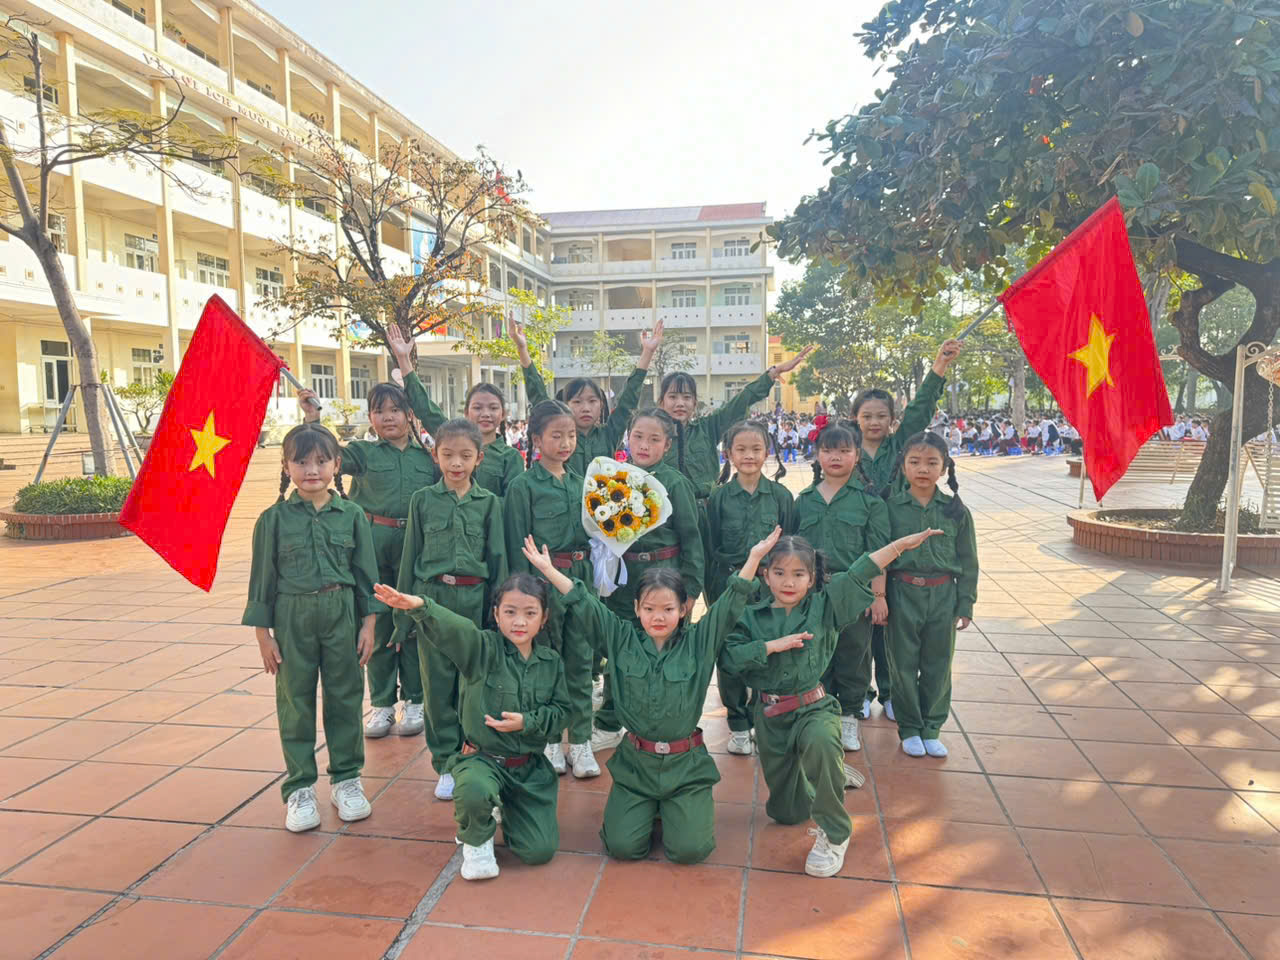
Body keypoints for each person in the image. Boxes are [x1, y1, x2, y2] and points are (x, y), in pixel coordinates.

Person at [525, 528, 776, 863]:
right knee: (622, 847)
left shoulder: (699, 641)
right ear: (637, 608)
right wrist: (548, 569)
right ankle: (650, 807)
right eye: (649, 608)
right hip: (636, 767)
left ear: (683, 609)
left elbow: (731, 601)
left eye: (668, 609)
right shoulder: (620, 637)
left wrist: (754, 558)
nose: (658, 617)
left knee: (690, 851)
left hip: (685, 767)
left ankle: (675, 806)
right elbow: (584, 603)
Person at [721, 527, 942, 876]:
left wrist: (899, 546)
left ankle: (836, 832)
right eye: (779, 572)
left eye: (799, 574)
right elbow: (729, 660)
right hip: (770, 716)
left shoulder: (826, 605)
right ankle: (831, 774)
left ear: (812, 578)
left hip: (813, 707)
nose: (788, 582)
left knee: (822, 740)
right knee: (787, 813)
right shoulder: (750, 617)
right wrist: (769, 647)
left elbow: (860, 570)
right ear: (765, 575)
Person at [373, 575, 569, 881]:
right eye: (510, 612)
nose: (519, 622)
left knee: (539, 851)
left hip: (528, 770)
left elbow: (562, 712)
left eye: (530, 613)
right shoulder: (481, 649)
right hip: (483, 760)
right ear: (496, 614)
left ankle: (504, 807)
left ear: (544, 618)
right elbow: (456, 628)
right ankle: (477, 838)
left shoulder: (551, 662)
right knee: (474, 788)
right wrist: (422, 607)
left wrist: (527, 722)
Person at [297, 340, 439, 741]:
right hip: (372, 545)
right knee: (375, 620)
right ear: (371, 417)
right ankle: (381, 703)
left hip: (415, 547)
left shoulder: (427, 458)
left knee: (413, 619)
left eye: (395, 409)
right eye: (379, 410)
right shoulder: (361, 453)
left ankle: (415, 699)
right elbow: (323, 453)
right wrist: (313, 419)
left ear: (409, 414)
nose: (387, 417)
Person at [244, 423, 382, 832]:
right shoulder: (272, 520)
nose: (311, 470)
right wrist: (263, 636)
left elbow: (366, 576)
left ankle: (346, 780)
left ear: (337, 464)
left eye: (321, 461)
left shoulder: (352, 515)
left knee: (345, 697)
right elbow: (261, 582)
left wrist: (369, 625)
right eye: (301, 461)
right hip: (292, 617)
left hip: (342, 614)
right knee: (295, 702)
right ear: (286, 466)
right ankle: (301, 787)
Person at [392, 418, 508, 801]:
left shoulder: (489, 504)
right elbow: (410, 557)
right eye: (447, 455)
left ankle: (473, 755)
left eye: (465, 456)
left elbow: (498, 559)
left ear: (479, 458)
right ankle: (445, 762)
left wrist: (501, 611)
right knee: (438, 684)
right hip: (433, 601)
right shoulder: (423, 500)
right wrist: (402, 617)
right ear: (435, 456)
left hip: (475, 600)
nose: (456, 463)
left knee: (473, 683)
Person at [591, 409, 708, 752]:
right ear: (627, 438)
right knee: (621, 648)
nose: (644, 445)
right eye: (638, 436)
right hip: (624, 579)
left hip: (665, 576)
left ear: (667, 445)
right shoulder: (615, 477)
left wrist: (690, 589)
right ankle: (610, 720)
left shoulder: (675, 483)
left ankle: (668, 718)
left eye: (654, 439)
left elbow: (692, 539)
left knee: (666, 650)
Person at [504, 400, 599, 779]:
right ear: (536, 439)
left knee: (581, 662)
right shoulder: (522, 487)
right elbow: (516, 545)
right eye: (556, 435)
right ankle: (549, 740)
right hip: (542, 586)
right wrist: (523, 599)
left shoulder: (582, 485)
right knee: (544, 664)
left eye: (571, 435)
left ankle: (581, 742)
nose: (565, 443)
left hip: (579, 582)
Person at [883, 432, 979, 758]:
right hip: (902, 592)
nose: (922, 469)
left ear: (944, 467)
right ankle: (910, 728)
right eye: (914, 462)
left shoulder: (956, 511)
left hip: (943, 595)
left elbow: (969, 561)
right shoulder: (890, 508)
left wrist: (965, 603)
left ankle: (931, 727)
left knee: (939, 664)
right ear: (903, 466)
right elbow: (880, 555)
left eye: (931, 463)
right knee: (902, 664)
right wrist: (879, 597)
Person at [795, 421, 890, 750]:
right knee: (814, 654)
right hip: (813, 593)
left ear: (857, 455)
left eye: (844, 450)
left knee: (853, 655)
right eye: (828, 450)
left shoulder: (870, 503)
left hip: (853, 589)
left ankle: (849, 717)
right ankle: (819, 718)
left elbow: (879, 554)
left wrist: (878, 595)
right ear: (817, 454)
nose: (835, 457)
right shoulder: (803, 500)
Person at [707, 420, 796, 756]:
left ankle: (763, 719)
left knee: (768, 652)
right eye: (741, 449)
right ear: (729, 454)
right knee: (730, 653)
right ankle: (738, 724)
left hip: (770, 588)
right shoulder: (719, 498)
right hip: (730, 586)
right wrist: (714, 595)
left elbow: (791, 544)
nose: (749, 455)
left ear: (767, 452)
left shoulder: (781, 496)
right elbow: (711, 548)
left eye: (756, 449)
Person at [512, 318, 664, 477]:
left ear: (601, 405)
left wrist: (648, 352)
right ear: (565, 405)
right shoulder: (561, 437)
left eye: (592, 401)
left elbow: (628, 400)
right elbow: (539, 397)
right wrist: (522, 349)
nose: (586, 408)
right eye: (577, 402)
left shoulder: (609, 434)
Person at [392, 325, 525, 499]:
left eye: (493, 408)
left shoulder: (511, 458)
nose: (486, 414)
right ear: (466, 413)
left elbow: (511, 504)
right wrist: (403, 359)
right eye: (477, 408)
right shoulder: (451, 436)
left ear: (503, 414)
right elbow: (425, 408)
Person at [851, 340, 962, 498]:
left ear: (892, 418)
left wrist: (941, 363)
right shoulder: (845, 451)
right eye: (867, 416)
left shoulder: (901, 444)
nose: (874, 422)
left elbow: (921, 405)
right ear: (855, 418)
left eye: (882, 416)